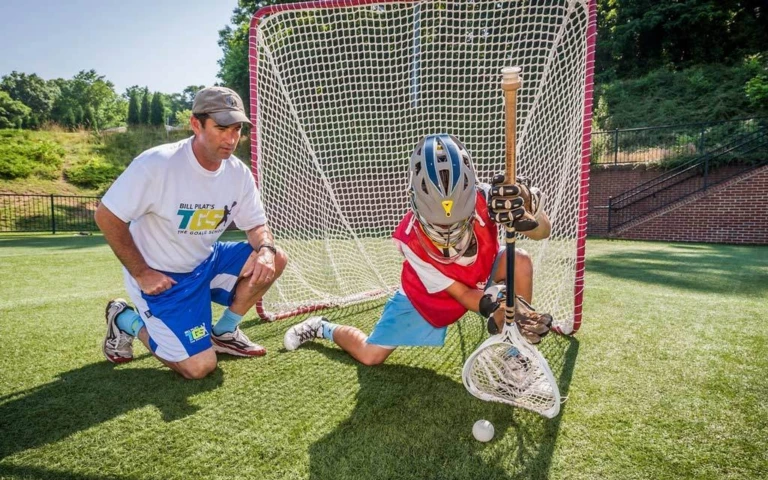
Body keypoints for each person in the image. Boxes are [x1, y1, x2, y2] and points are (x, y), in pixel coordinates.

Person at [283, 134, 552, 366]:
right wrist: (494, 305)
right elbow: (461, 293)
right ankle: (322, 327)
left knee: (520, 261)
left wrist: (529, 210)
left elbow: (543, 231)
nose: (449, 234)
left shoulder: (488, 199)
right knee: (370, 355)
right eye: (439, 224)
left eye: (458, 222)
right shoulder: (409, 240)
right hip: (427, 297)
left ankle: (515, 353)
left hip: (479, 275)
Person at [95, 86, 287, 380]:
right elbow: (107, 216)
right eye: (222, 128)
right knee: (199, 368)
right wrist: (142, 273)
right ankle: (124, 318)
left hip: (206, 263)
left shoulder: (238, 173)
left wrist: (265, 251)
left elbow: (256, 226)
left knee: (276, 259)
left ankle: (224, 332)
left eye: (237, 129)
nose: (231, 138)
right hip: (163, 278)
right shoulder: (157, 164)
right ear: (195, 124)